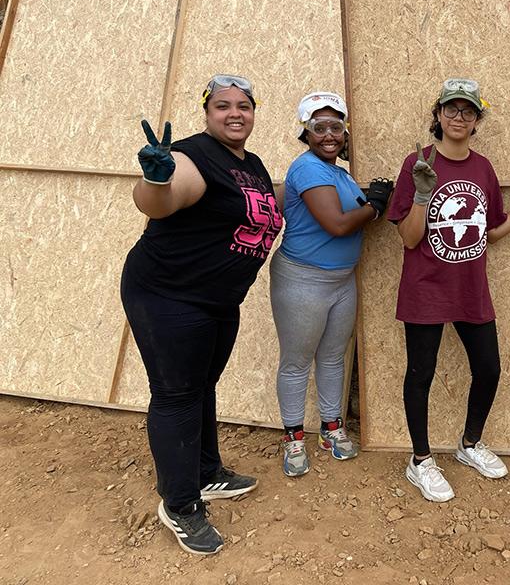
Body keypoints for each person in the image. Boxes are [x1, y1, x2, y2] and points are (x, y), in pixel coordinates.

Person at [121, 74, 282, 555]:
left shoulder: (250, 162)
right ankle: (180, 504)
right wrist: (156, 177)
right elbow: (161, 203)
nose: (235, 113)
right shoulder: (193, 156)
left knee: (201, 387)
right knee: (176, 395)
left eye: (244, 106)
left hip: (217, 299)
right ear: (207, 113)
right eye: (222, 106)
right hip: (169, 295)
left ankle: (207, 472)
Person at [386, 77, 510, 502]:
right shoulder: (417, 163)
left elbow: (491, 232)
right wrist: (423, 197)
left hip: (470, 287)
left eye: (468, 111)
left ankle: (469, 444)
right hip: (425, 287)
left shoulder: (482, 168)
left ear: (477, 119)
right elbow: (408, 238)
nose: (459, 117)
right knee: (420, 374)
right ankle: (421, 460)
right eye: (451, 109)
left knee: (489, 368)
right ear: (438, 115)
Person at [271, 91, 393, 477]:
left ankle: (331, 428)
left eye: (335, 127)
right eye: (318, 127)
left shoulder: (338, 172)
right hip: (303, 278)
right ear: (305, 133)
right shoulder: (307, 168)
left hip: (340, 280)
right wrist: (374, 206)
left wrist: (371, 203)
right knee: (296, 362)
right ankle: (293, 437)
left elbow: (349, 215)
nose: (328, 135)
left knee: (332, 357)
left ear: (345, 132)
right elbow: (337, 224)